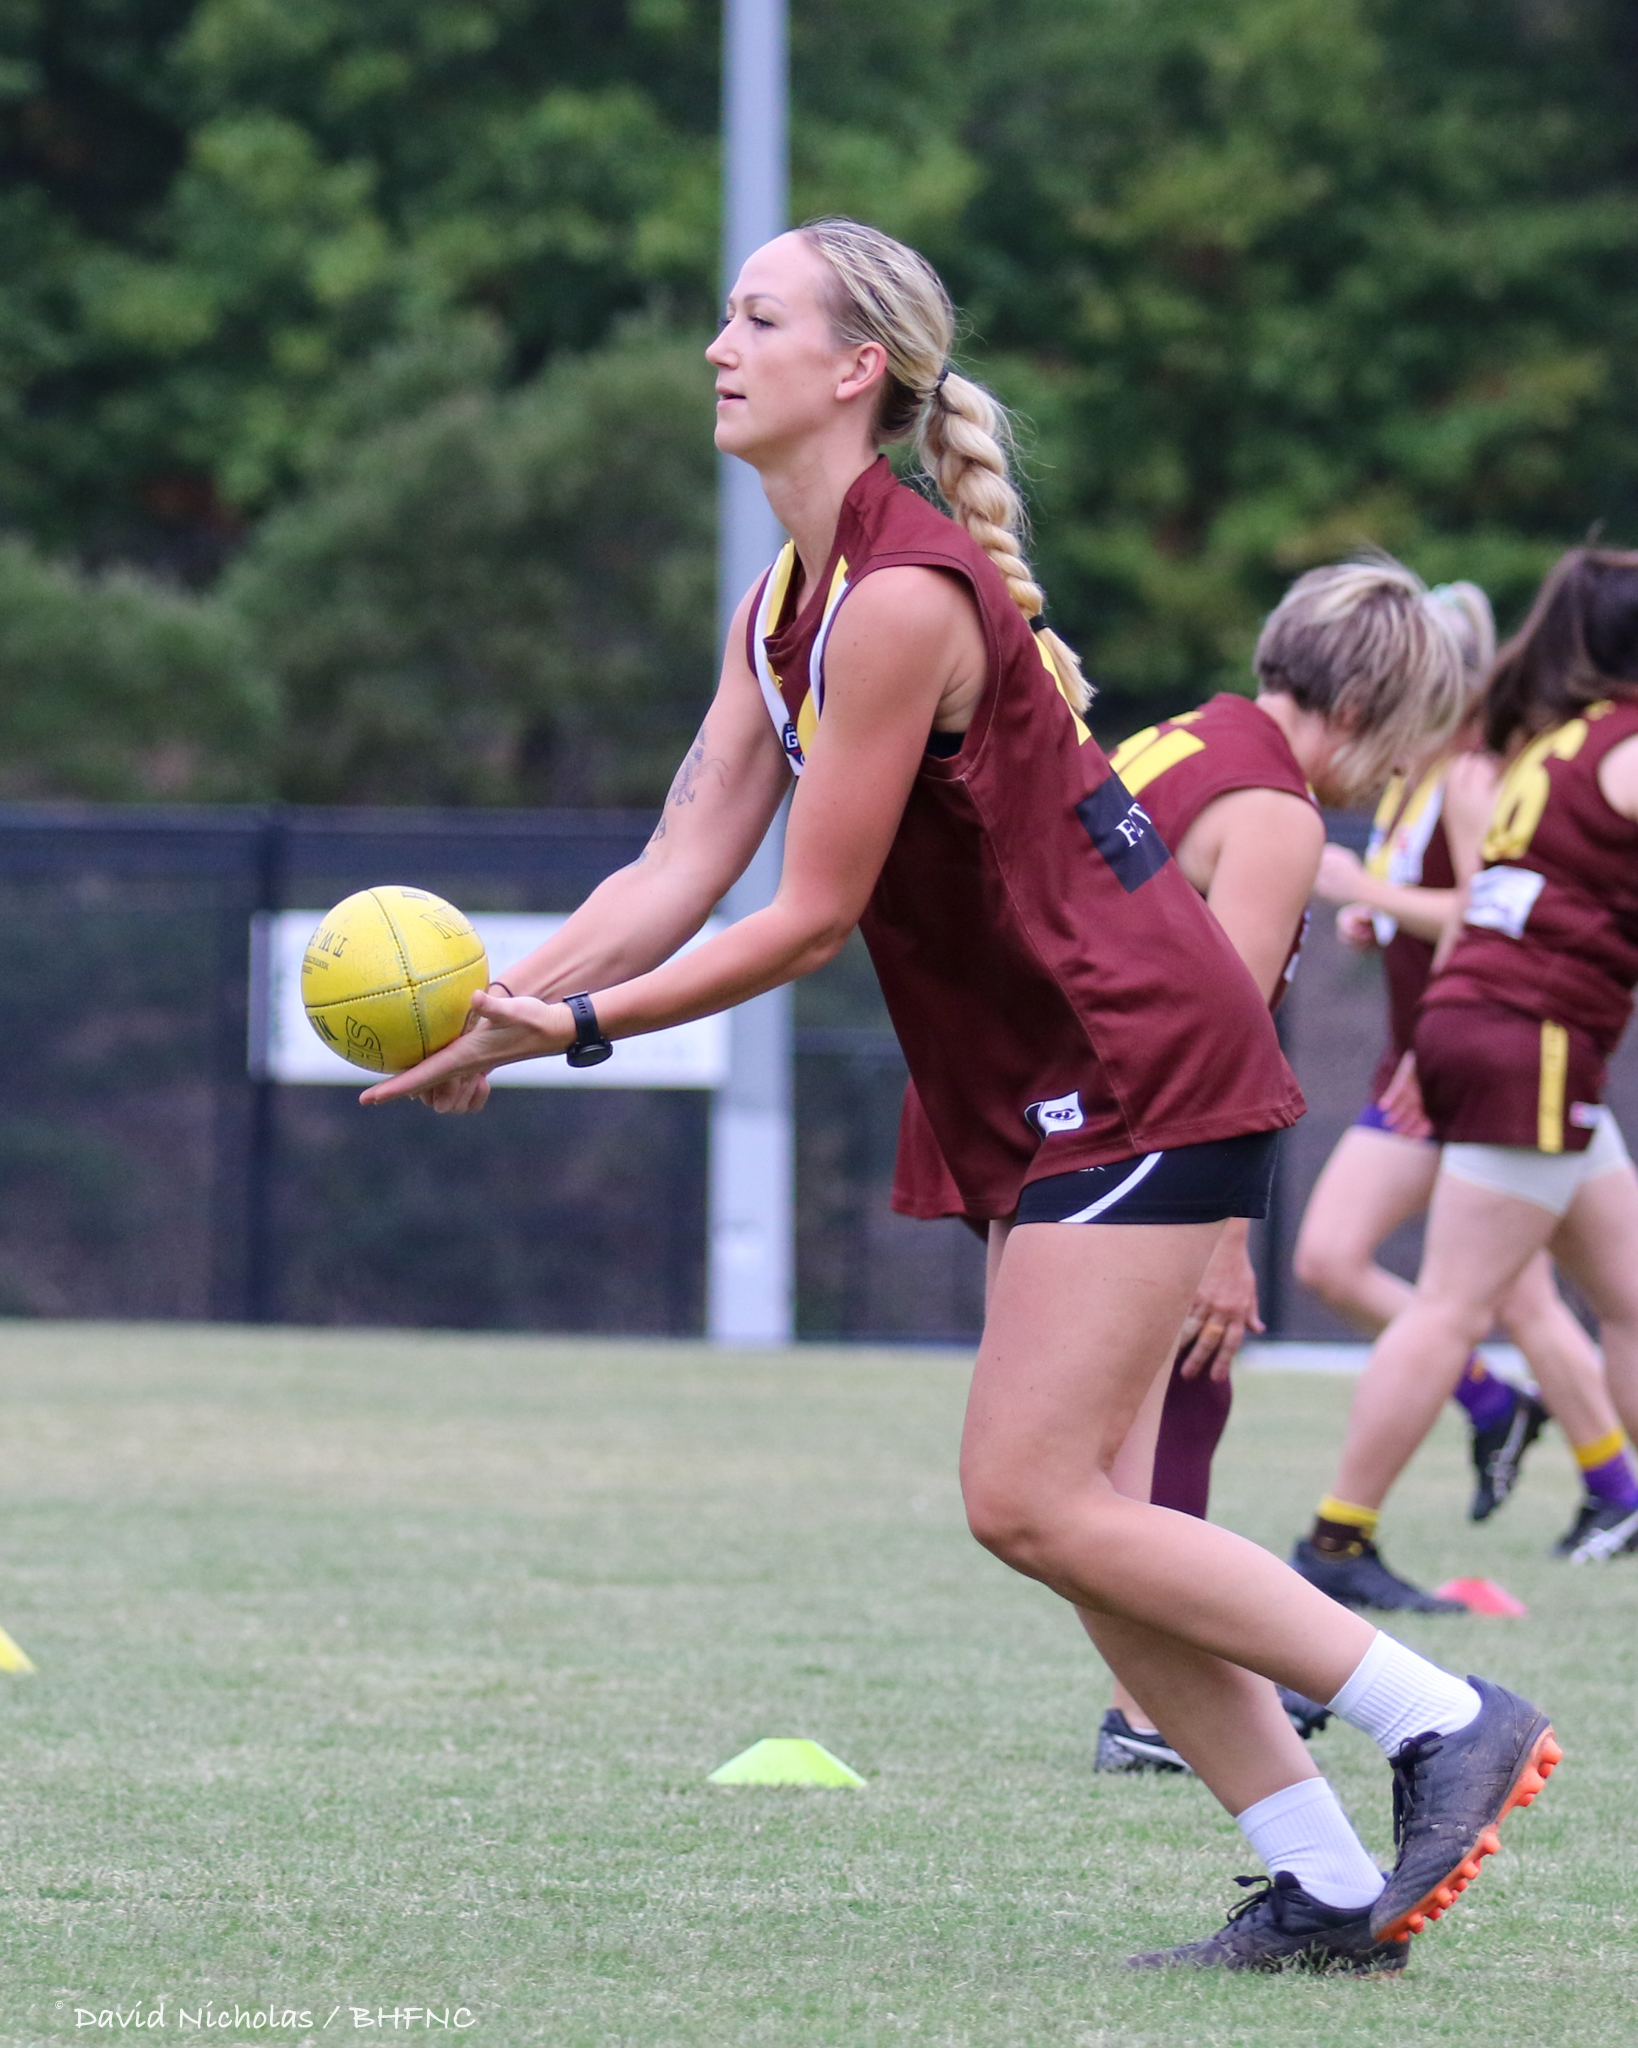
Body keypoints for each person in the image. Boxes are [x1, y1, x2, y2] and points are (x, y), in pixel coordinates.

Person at [363, 218, 1558, 1971]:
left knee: (1030, 1497)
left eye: (755, 317)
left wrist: (583, 1026)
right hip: (1048, 1085)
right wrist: (501, 1002)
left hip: (1129, 1063)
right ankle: (1314, 1883)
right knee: (1082, 1521)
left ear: (855, 370)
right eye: (724, 315)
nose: (716, 343)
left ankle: (1437, 1709)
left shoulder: (905, 597)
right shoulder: (788, 598)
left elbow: (805, 913)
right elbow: (680, 854)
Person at [894, 559, 1473, 1771]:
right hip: (1107, 1122)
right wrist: (1217, 1243)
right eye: (1404, 742)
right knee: (1130, 1447)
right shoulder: (1274, 806)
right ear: (1363, 711)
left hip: (1016, 1088)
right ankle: (1155, 1711)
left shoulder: (1178, 736)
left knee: (1105, 1445)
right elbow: (1222, 1029)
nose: (1395, 776)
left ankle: (1172, 1701)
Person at [1296, 548, 1638, 1598]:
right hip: (1528, 1036)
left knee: (1622, 1294)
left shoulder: (1555, 742)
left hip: (1496, 1028)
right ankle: (1337, 1540)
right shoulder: (1619, 740)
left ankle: (1617, 1490)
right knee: (1453, 1305)